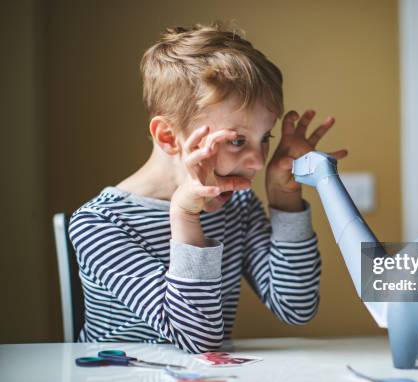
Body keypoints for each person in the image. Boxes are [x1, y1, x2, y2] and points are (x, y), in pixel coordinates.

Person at [68, 22, 347, 353]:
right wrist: (185, 216)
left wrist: (284, 198)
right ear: (169, 137)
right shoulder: (100, 223)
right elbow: (196, 338)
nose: (258, 160)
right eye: (237, 140)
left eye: (265, 137)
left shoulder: (238, 206)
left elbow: (295, 306)